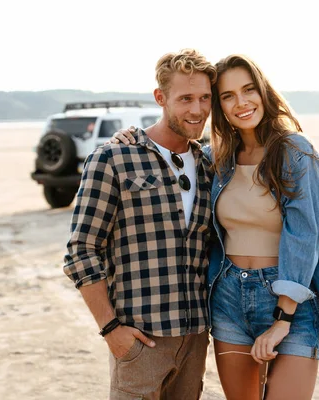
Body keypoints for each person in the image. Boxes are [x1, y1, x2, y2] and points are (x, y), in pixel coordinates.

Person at [111, 54, 319, 399]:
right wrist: (131, 138)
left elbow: (304, 236)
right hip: (228, 297)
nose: (241, 102)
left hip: (288, 301)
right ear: (220, 105)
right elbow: (170, 148)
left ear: (263, 92)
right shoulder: (218, 158)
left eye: (248, 90)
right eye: (228, 96)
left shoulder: (296, 153)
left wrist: (282, 320)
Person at [63, 49, 217, 399]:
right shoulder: (113, 158)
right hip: (140, 340)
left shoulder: (209, 165)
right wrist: (110, 329)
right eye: (186, 98)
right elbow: (81, 251)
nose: (197, 110)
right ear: (161, 98)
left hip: (195, 339)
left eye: (205, 98)